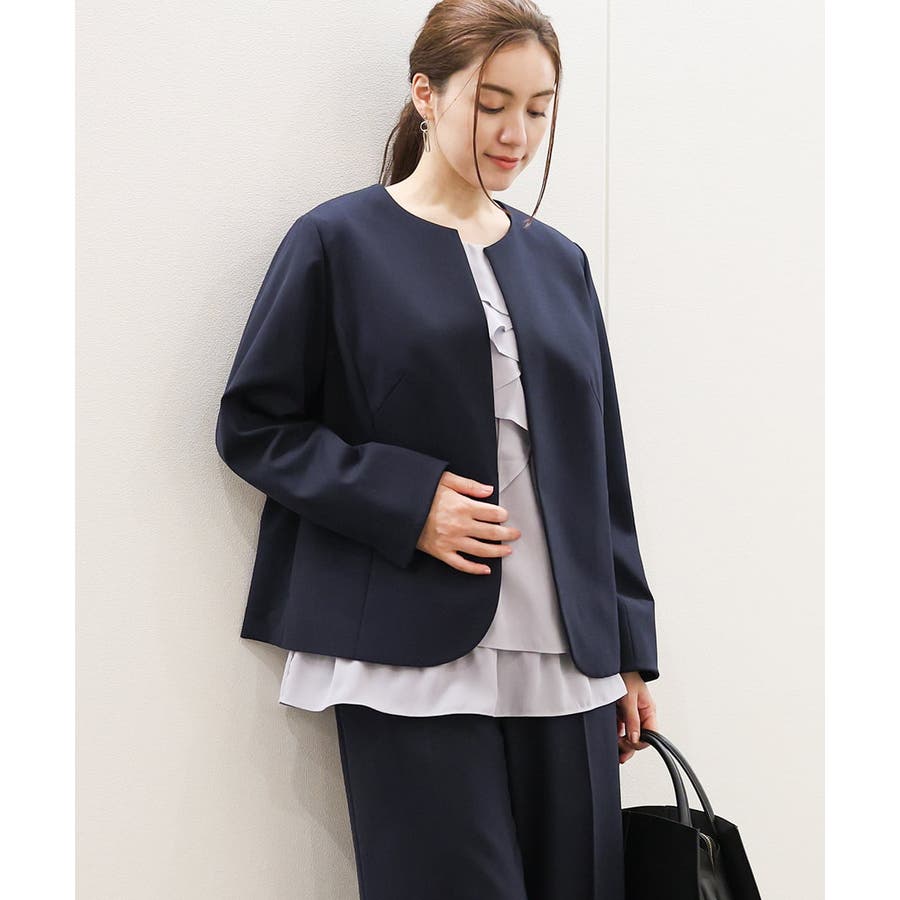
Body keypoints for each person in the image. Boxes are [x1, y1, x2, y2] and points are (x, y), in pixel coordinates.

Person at [215, 1, 661, 897]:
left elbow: (600, 470)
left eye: (538, 109)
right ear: (425, 93)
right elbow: (255, 425)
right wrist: (407, 502)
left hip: (566, 652)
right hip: (406, 648)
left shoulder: (561, 262)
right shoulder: (336, 241)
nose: (516, 134)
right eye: (492, 104)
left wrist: (628, 645)